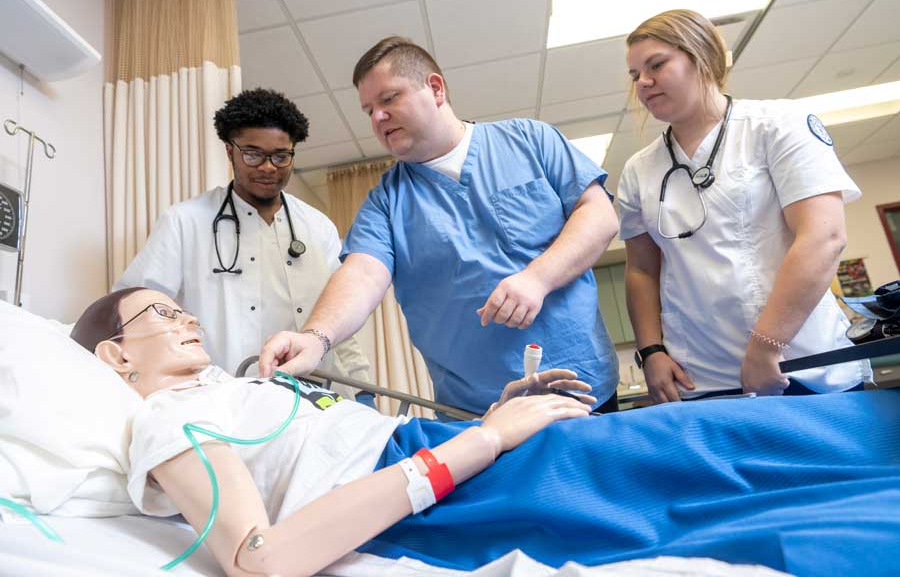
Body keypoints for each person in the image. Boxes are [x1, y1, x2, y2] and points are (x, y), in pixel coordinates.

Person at [68, 287, 900, 576]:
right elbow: (263, 560)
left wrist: (499, 408)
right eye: (159, 313)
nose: (185, 319)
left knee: (724, 440)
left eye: (182, 307)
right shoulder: (168, 420)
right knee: (707, 463)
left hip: (436, 452)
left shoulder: (244, 387)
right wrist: (486, 441)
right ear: (113, 353)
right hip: (438, 494)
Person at [260, 37, 621, 416]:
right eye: (369, 110)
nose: (377, 118)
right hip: (479, 413)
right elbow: (363, 273)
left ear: (434, 88)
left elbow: (598, 215)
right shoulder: (387, 201)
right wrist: (316, 338)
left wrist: (537, 278)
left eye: (388, 99)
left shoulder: (529, 140)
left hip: (581, 387)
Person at [617, 9, 872, 404]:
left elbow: (824, 237)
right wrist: (651, 352)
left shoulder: (778, 125)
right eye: (636, 75)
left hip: (801, 364)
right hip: (700, 377)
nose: (643, 83)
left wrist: (767, 345)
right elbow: (642, 270)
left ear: (700, 56)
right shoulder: (638, 170)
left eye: (656, 65)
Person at [113, 88, 373, 402]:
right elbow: (135, 309)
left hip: (316, 396)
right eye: (252, 153)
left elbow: (338, 316)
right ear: (229, 150)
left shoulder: (318, 227)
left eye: (281, 156)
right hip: (225, 398)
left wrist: (361, 389)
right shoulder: (186, 221)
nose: (268, 167)